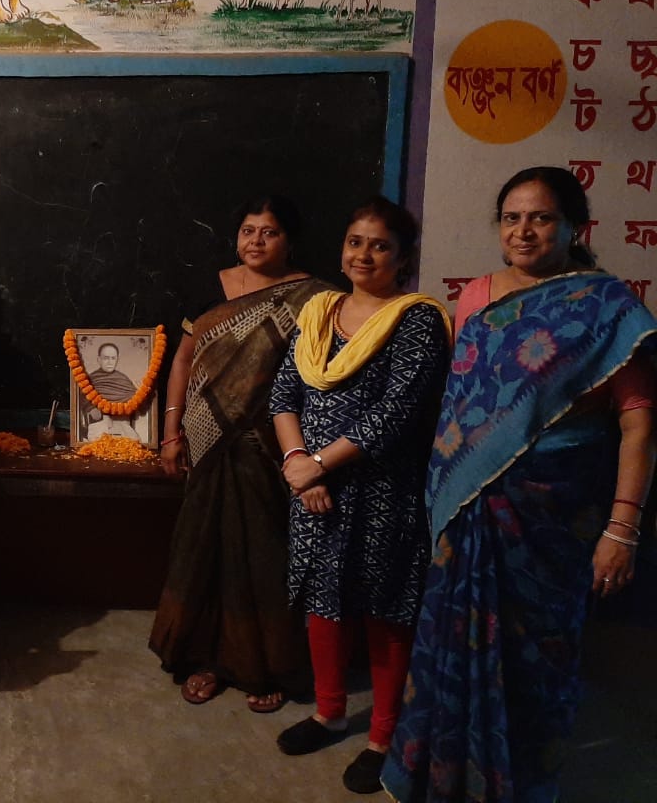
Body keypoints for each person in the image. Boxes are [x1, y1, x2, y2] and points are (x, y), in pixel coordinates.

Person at [382, 167, 657, 803]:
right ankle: (441, 778)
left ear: (574, 227)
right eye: (511, 218)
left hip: (555, 514)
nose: (523, 231)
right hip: (467, 508)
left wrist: (622, 529)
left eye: (541, 218)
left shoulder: (608, 308)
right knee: (448, 643)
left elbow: (639, 425)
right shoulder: (476, 296)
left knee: (539, 659)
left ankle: (521, 785)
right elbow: (465, 407)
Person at [269, 196, 451, 795]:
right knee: (324, 600)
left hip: (382, 491)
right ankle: (329, 713)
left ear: (403, 257)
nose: (363, 255)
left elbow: (395, 415)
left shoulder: (416, 320)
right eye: (355, 242)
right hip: (313, 487)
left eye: (379, 245)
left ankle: (382, 738)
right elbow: (283, 395)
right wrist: (299, 464)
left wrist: (318, 464)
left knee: (384, 610)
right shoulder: (320, 312)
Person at [149, 195, 333, 714]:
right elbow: (183, 360)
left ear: (289, 241)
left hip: (270, 443)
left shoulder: (313, 297)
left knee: (262, 553)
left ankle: (263, 665)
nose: (256, 241)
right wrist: (171, 431)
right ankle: (206, 660)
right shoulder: (212, 286)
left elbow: (316, 376)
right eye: (248, 230)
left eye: (269, 232)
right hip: (206, 438)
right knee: (204, 548)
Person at [79, 343, 141, 441]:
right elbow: (83, 398)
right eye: (106, 358)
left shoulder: (123, 379)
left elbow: (134, 402)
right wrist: (91, 408)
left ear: (117, 359)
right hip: (100, 424)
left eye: (113, 358)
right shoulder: (90, 380)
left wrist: (139, 392)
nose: (109, 362)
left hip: (122, 424)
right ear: (99, 359)